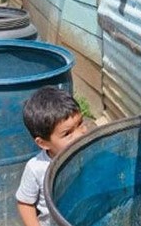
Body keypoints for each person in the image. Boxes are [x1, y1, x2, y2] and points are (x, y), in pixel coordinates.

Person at [16, 87, 88, 226]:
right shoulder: (36, 168)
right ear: (43, 143)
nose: (80, 134)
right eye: (67, 134)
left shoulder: (87, 151)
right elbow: (25, 203)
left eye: (80, 124)